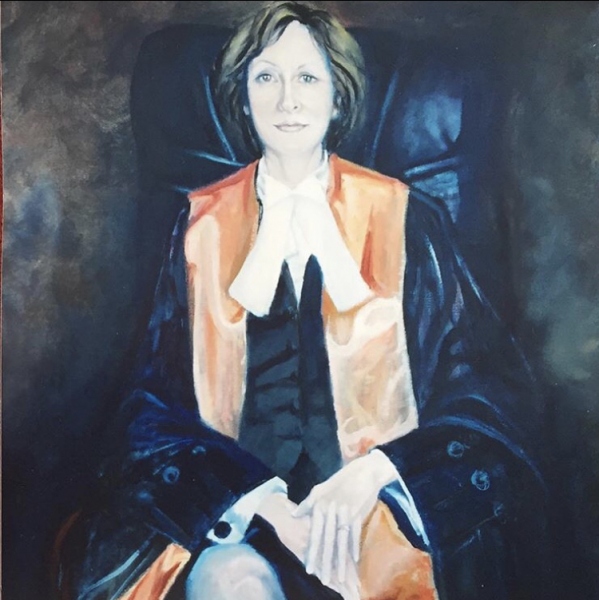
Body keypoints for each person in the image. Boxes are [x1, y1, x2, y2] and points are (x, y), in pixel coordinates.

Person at [56, 2, 549, 599]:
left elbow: (486, 392)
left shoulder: (408, 220)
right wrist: (259, 502)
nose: (288, 100)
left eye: (308, 78)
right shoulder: (197, 229)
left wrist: (375, 474)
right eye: (266, 77)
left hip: (375, 513)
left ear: (338, 98)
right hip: (238, 519)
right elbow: (149, 409)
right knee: (231, 581)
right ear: (242, 98)